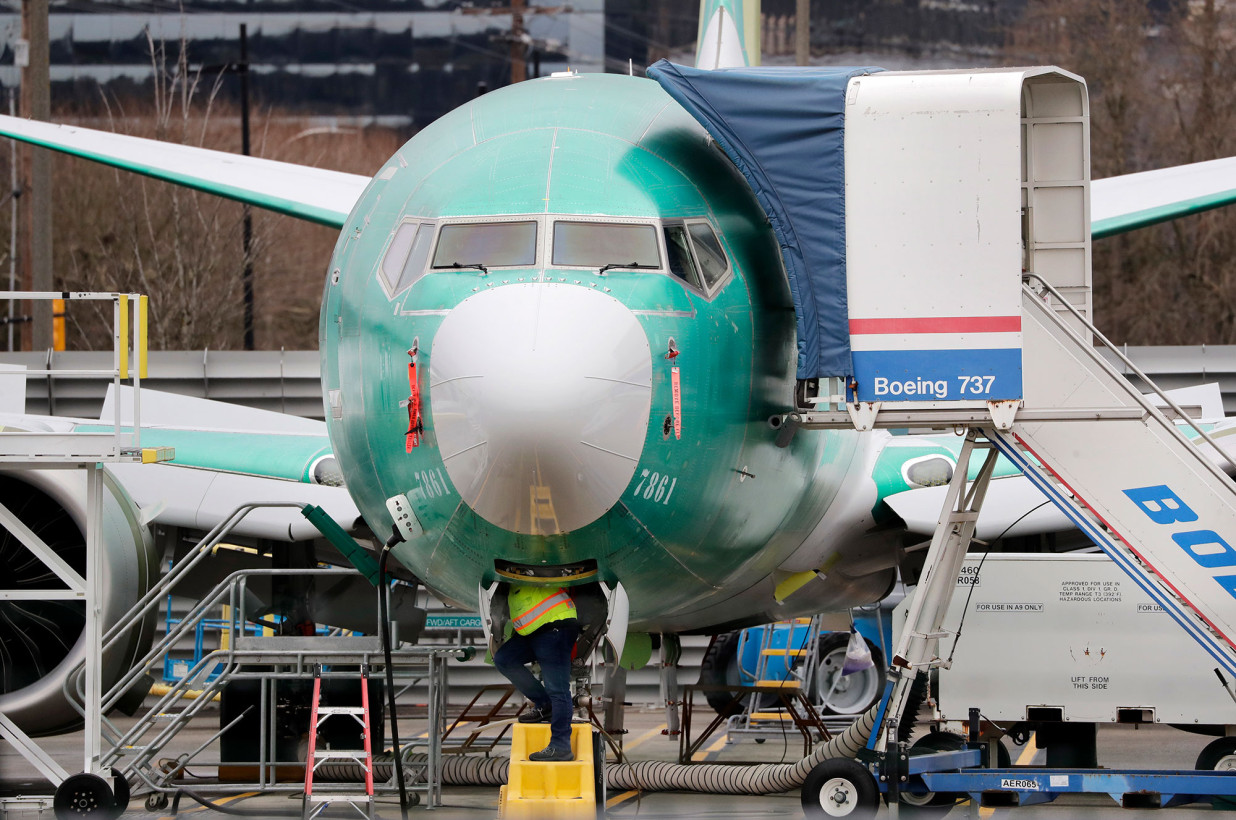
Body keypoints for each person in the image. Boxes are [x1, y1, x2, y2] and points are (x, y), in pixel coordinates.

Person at [493, 583, 580, 761]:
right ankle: (544, 704)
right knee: (504, 659)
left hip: (555, 625)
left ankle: (561, 745)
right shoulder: (506, 583)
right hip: (533, 631)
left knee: (557, 688)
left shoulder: (523, 572)